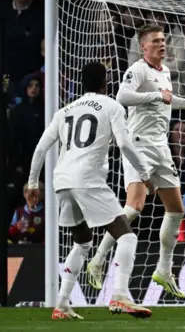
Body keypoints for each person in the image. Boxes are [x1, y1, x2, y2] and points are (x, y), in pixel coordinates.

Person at [87, 24, 185, 299]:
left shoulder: (165, 71)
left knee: (177, 209)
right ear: (143, 46)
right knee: (134, 206)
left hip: (161, 146)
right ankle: (97, 259)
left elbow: (167, 101)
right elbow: (122, 97)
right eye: (155, 41)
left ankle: (164, 270)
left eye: (163, 40)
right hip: (139, 145)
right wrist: (156, 95)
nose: (162, 44)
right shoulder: (137, 70)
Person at [26, 62, 152, 319]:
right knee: (127, 237)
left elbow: (41, 148)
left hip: (61, 181)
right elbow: (125, 144)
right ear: (105, 82)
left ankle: (61, 303)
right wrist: (145, 174)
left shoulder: (64, 111)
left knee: (82, 242)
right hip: (88, 179)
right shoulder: (112, 106)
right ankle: (120, 295)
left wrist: (31, 183)